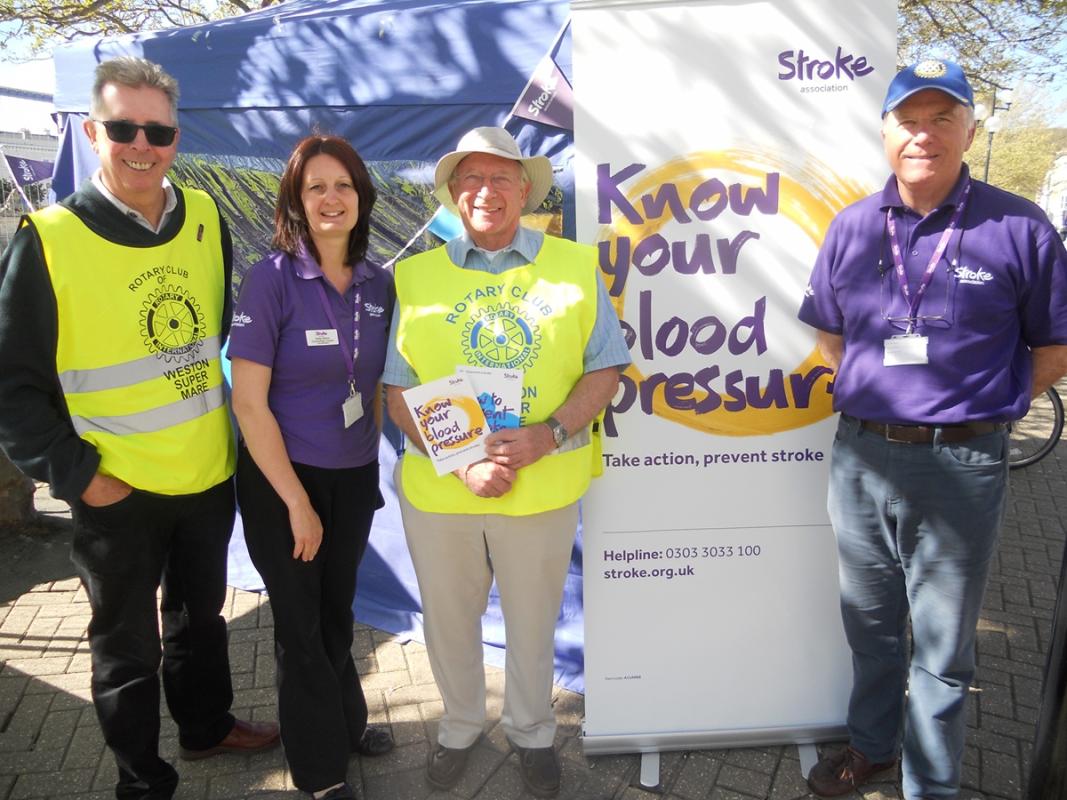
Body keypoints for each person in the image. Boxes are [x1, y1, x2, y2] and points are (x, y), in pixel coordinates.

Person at [0, 57, 279, 800]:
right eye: (123, 128)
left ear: (176, 139)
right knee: (126, 650)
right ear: (93, 132)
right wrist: (77, 473)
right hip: (114, 491)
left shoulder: (206, 218)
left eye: (156, 130)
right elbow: (12, 385)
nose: (141, 144)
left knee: (201, 621)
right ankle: (141, 779)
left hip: (205, 473)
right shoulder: (49, 238)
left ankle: (206, 726)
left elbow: (211, 336)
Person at [799, 60, 1067, 799]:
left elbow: (1054, 346)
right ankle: (872, 749)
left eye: (941, 118)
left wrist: (994, 402)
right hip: (859, 458)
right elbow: (825, 329)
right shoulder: (853, 225)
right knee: (870, 626)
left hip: (962, 464)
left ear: (969, 131)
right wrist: (866, 383)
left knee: (943, 649)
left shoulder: (1020, 225)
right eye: (908, 120)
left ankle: (932, 785)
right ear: (884, 132)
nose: (923, 134)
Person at [383, 127, 629, 798]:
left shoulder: (575, 265)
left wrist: (550, 434)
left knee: (531, 620)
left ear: (525, 189)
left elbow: (606, 368)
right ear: (453, 193)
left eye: (499, 178)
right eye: (470, 179)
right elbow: (396, 388)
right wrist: (462, 462)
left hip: (541, 484)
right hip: (443, 491)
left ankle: (532, 733)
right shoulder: (414, 273)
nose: (484, 191)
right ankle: (460, 728)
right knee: (448, 619)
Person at [229, 134, 395, 800]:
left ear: (362, 197)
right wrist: (296, 502)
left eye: (343, 185)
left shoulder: (380, 281)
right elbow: (247, 401)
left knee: (335, 612)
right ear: (296, 201)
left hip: (350, 478)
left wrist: (368, 461)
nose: (331, 198)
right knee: (299, 629)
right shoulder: (270, 277)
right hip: (282, 481)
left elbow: (380, 382)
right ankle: (320, 774)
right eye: (315, 187)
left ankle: (345, 723)